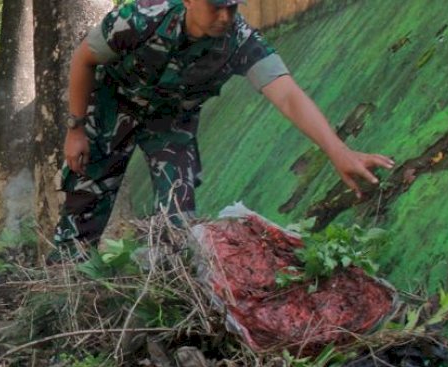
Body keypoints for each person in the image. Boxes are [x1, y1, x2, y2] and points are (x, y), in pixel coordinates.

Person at [53, 0, 395, 255]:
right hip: (113, 108)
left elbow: (288, 94)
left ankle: (163, 295)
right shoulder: (141, 18)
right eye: (216, 6)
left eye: (232, 7)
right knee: (83, 208)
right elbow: (84, 59)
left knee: (178, 223)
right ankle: (60, 293)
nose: (225, 16)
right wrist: (75, 129)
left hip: (171, 124)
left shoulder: (240, 40)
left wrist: (338, 151)